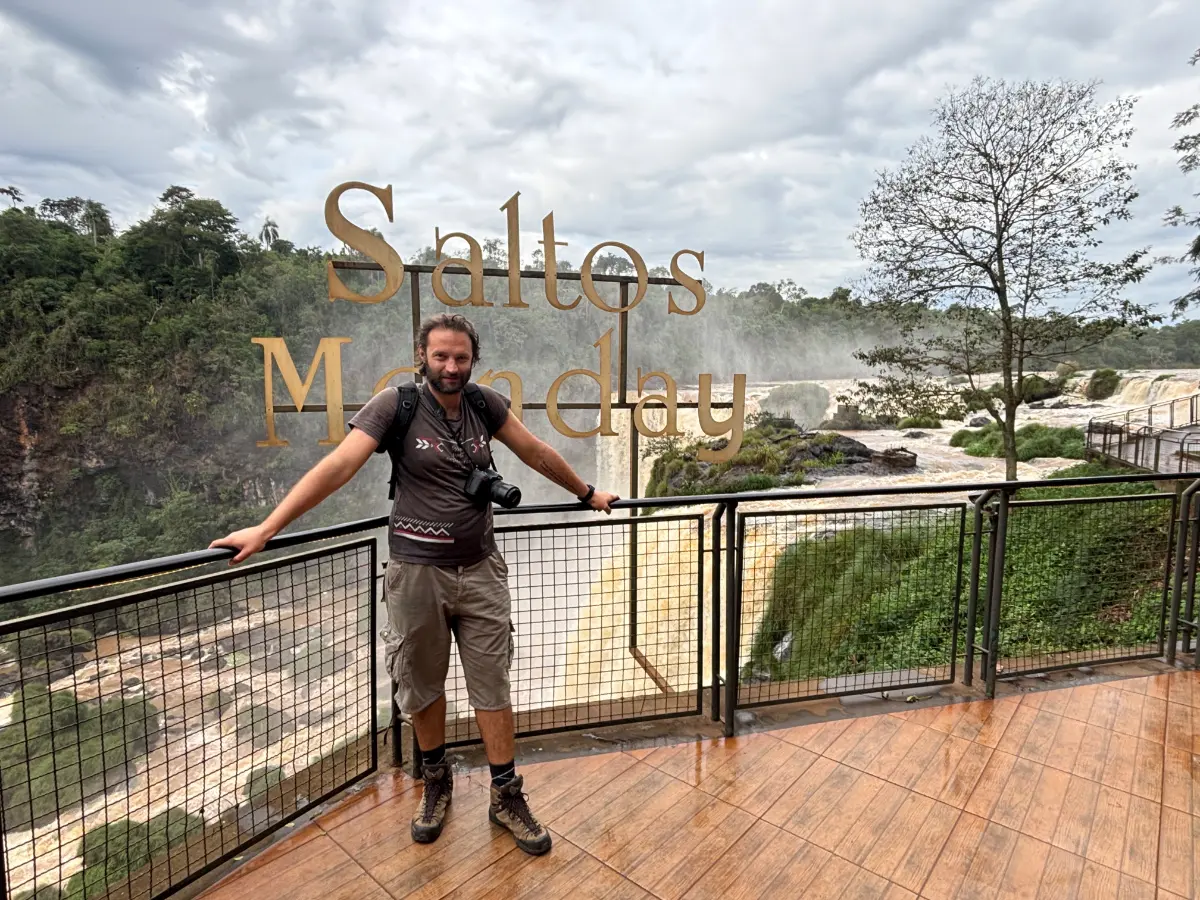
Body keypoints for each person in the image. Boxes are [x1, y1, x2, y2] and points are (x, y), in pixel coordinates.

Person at [209, 312, 619, 856]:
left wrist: (587, 493)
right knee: (422, 685)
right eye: (441, 356)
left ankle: (506, 795)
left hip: (481, 569)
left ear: (473, 360)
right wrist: (267, 529)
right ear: (421, 356)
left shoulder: (483, 404)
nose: (451, 366)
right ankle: (436, 783)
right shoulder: (396, 405)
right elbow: (339, 466)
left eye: (461, 357)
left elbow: (535, 451)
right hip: (416, 573)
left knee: (492, 683)